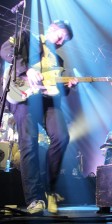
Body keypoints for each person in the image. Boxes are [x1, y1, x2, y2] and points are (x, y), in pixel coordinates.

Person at [0, 20, 78, 214]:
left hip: (47, 102)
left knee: (62, 137)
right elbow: (5, 50)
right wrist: (28, 69)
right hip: (23, 96)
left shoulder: (58, 61)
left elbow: (57, 90)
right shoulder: (27, 37)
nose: (61, 42)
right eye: (61, 36)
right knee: (29, 143)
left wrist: (68, 88)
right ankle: (34, 198)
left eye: (64, 42)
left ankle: (50, 189)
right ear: (52, 28)